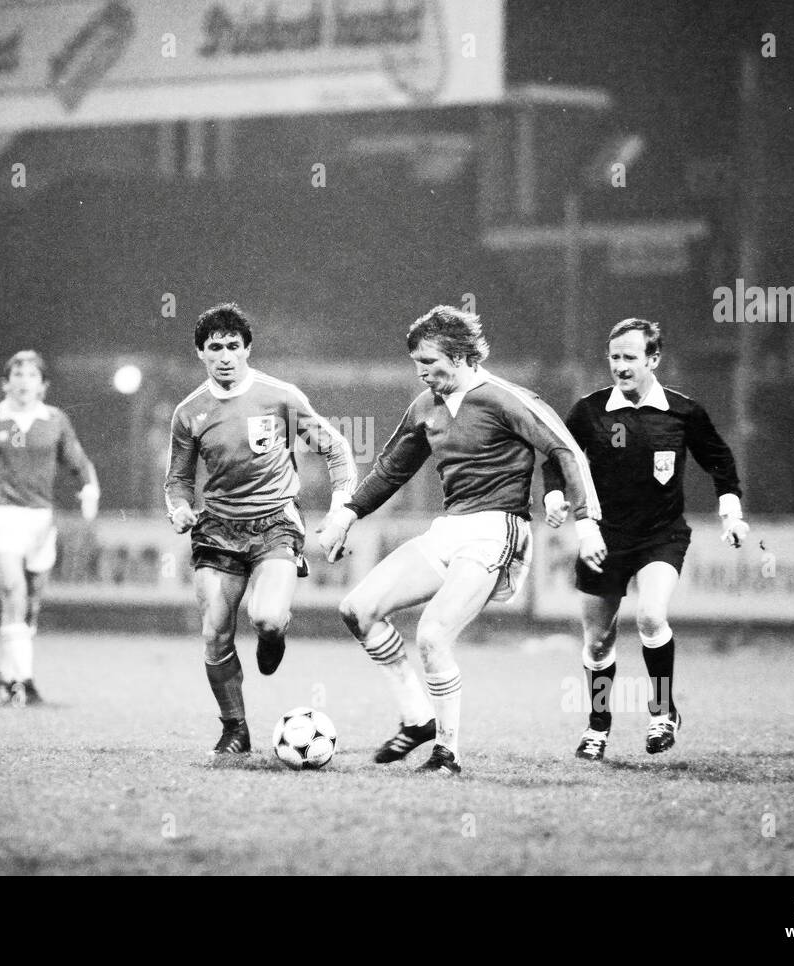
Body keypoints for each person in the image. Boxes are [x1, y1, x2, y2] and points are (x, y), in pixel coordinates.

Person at [318, 306, 605, 776]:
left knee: (432, 635)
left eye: (429, 363)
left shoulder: (506, 398)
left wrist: (585, 521)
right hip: (449, 529)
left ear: (461, 355)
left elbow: (565, 449)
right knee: (357, 608)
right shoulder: (425, 407)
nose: (422, 373)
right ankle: (417, 717)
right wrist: (346, 515)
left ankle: (447, 754)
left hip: (498, 529)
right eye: (417, 364)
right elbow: (391, 469)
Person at [542, 318, 747, 762]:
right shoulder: (589, 411)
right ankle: (598, 727)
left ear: (654, 359)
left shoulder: (683, 411)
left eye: (630, 357)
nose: (620, 366)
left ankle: (662, 712)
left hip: (661, 535)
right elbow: (558, 458)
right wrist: (555, 494)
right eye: (614, 358)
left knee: (652, 616)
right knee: (597, 640)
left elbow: (719, 459)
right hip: (603, 536)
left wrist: (731, 511)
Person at [164, 303, 356, 756]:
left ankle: (274, 636)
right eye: (215, 348)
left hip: (274, 522)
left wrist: (340, 505)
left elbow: (336, 447)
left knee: (266, 617)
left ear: (248, 349)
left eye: (234, 346)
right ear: (201, 354)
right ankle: (235, 729)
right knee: (214, 631)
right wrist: (178, 508)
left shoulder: (280, 397)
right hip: (217, 528)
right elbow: (177, 479)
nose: (225, 355)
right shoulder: (189, 412)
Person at [0, 350, 99, 706]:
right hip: (0, 515)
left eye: (31, 376)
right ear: (5, 382)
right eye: (17, 375)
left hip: (40, 520)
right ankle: (24, 682)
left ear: (43, 385)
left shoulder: (55, 421)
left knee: (31, 603)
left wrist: (90, 492)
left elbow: (81, 465)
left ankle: (7, 674)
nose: (23, 382)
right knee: (13, 591)